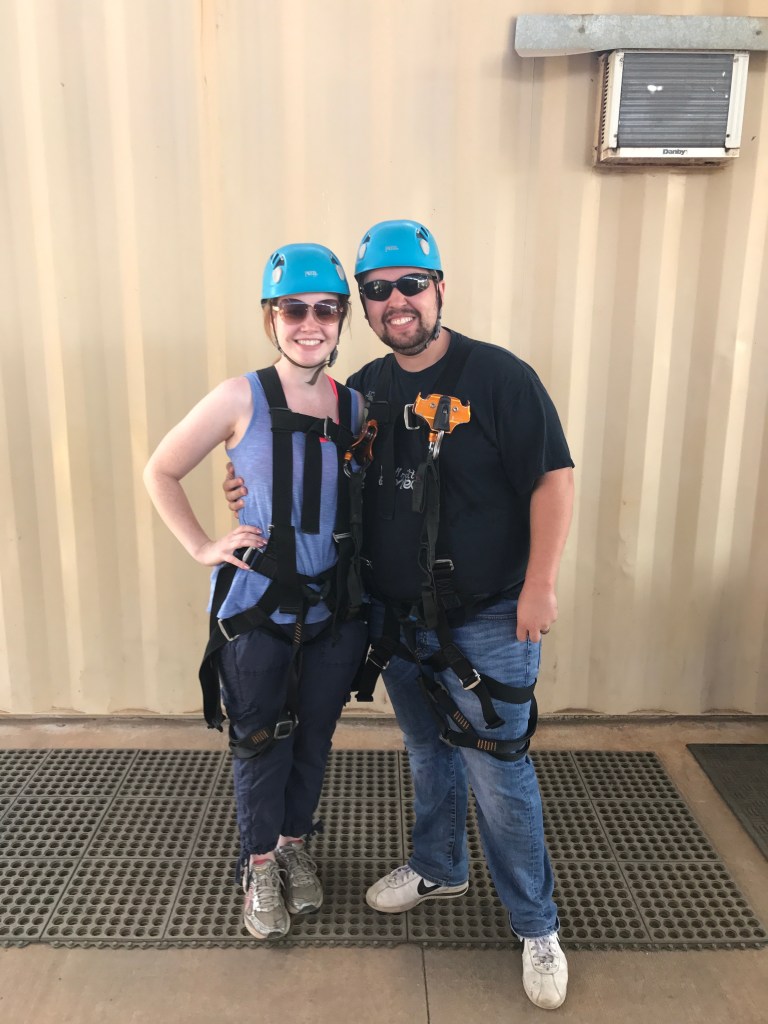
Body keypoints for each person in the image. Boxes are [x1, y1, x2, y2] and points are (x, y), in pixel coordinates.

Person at [225, 220, 574, 1008]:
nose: (396, 301)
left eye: (410, 284)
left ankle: (537, 925)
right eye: (377, 290)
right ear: (365, 305)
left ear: (439, 287)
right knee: (427, 752)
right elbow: (302, 465)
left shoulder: (498, 377)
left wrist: (541, 584)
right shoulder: (366, 390)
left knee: (498, 769)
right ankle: (440, 866)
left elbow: (552, 478)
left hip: (488, 617)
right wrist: (242, 484)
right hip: (395, 619)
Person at [144, 242, 368, 942]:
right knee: (258, 739)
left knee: (315, 736)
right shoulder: (239, 397)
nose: (311, 324)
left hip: (331, 611)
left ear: (341, 319)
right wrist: (203, 545)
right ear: (271, 318)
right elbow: (161, 470)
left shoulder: (357, 406)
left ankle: (294, 842)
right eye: (294, 309)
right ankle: (259, 862)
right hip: (257, 609)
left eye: (326, 310)